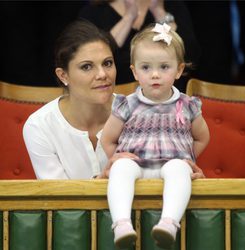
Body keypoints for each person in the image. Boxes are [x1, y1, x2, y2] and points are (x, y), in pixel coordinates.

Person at [23, 19, 205, 182]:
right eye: (87, 67)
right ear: (63, 75)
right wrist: (100, 181)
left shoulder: (140, 109)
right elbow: (57, 200)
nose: (103, 74)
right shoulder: (39, 126)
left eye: (107, 63)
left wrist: (186, 174)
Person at [101, 23, 210, 249]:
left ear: (179, 70)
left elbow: (202, 137)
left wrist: (187, 158)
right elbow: (108, 139)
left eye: (164, 67)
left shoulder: (187, 105)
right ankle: (121, 224)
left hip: (170, 165)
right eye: (146, 67)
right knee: (120, 169)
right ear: (134, 71)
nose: (155, 74)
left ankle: (168, 223)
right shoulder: (127, 104)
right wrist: (119, 156)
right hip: (137, 165)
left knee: (178, 169)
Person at [78, 0, 200, 92]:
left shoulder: (172, 5)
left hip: (165, 98)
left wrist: (159, 12)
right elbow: (93, 55)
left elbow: (189, 54)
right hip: (113, 97)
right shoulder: (94, 10)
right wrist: (129, 17)